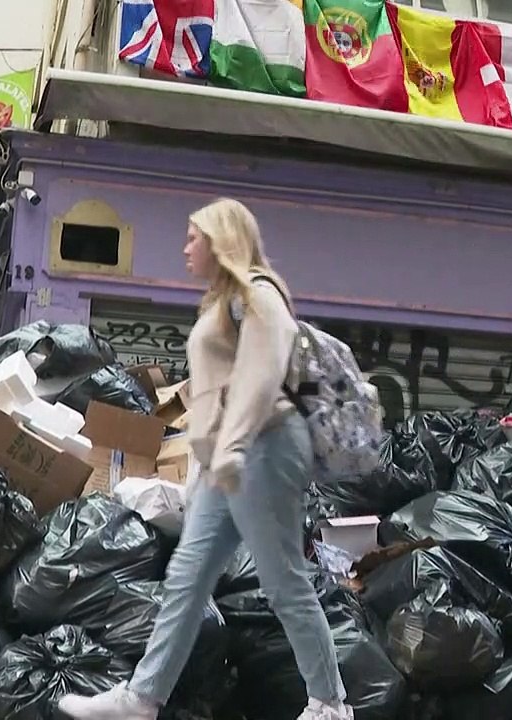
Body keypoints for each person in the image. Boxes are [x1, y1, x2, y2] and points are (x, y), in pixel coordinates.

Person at [59, 198, 352, 720]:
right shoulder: (224, 303)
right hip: (229, 460)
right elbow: (215, 396)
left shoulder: (255, 295)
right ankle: (142, 698)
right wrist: (206, 471)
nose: (185, 248)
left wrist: (234, 448)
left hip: (264, 448)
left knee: (283, 579)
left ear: (222, 241)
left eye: (194, 237)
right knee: (188, 576)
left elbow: (263, 372)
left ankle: (329, 705)